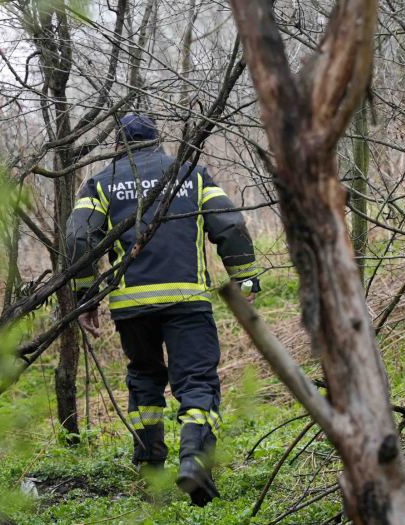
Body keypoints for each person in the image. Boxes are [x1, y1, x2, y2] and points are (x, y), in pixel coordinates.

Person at [64, 114, 261, 506]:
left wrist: (86, 297)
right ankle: (195, 463)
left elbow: (77, 236)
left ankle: (150, 469)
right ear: (157, 142)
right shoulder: (190, 173)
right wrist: (246, 277)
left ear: (119, 146)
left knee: (144, 379)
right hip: (187, 300)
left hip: (132, 306)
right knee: (198, 382)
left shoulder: (101, 183)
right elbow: (229, 224)